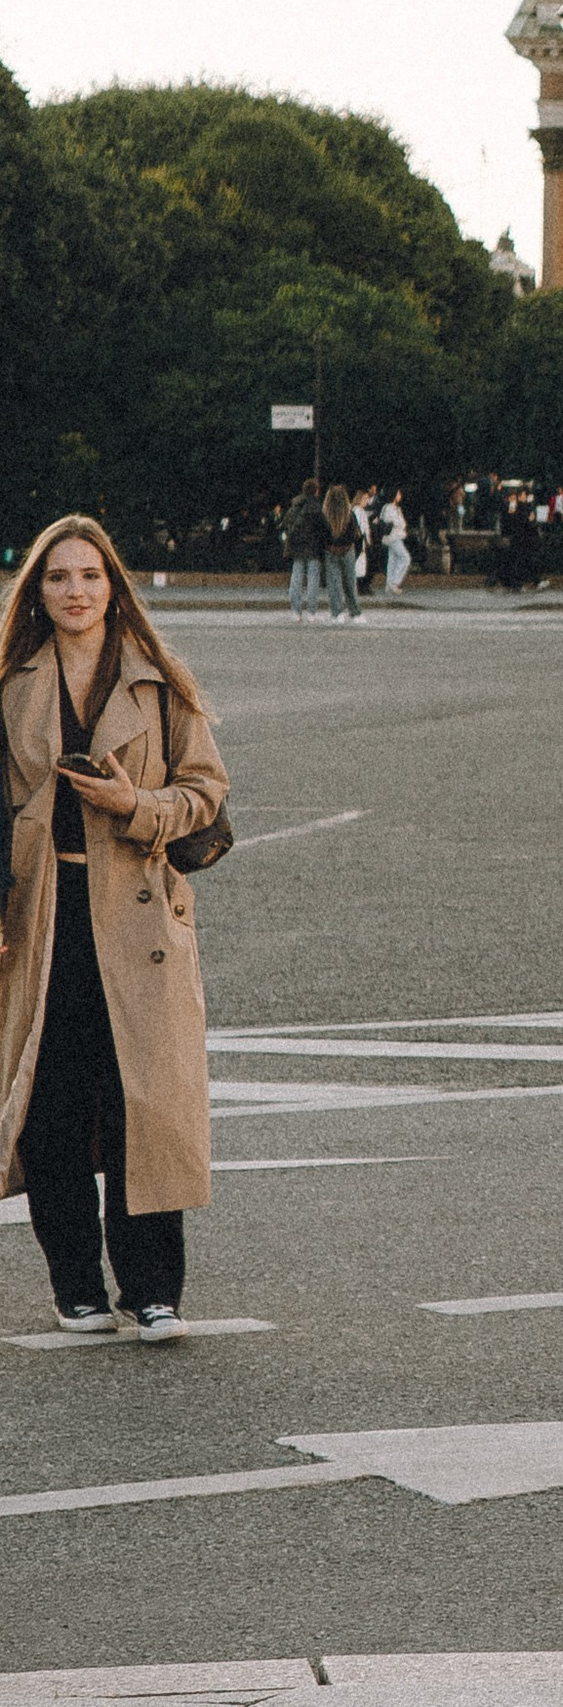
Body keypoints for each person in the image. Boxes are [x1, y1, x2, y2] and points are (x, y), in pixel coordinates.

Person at [0, 516, 229, 1342]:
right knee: (53, 1105)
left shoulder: (159, 682)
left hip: (137, 916)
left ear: (113, 586)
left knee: (146, 1101)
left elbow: (206, 793)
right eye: (59, 577)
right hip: (44, 914)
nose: (75, 592)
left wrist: (135, 806)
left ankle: (155, 1289)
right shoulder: (10, 681)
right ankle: (76, 1287)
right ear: (38, 589)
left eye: (90, 577)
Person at [319, 484, 364, 625]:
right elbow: (355, 535)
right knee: (350, 583)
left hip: (330, 551)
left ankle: (337, 613)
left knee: (334, 584)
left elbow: (320, 536)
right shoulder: (350, 515)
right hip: (347, 550)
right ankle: (355, 612)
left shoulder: (325, 515)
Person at [283, 482, 326, 621]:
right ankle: (311, 612)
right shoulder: (316, 506)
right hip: (313, 547)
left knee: (296, 578)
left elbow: (286, 523)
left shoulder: (295, 505)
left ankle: (296, 611)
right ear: (316, 491)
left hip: (296, 547)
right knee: (313, 579)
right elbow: (323, 527)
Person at [379, 490, 412, 598]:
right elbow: (395, 522)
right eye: (398, 494)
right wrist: (398, 523)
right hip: (393, 537)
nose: (400, 496)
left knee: (392, 561)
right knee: (405, 558)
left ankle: (389, 585)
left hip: (395, 537)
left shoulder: (396, 508)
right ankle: (395, 582)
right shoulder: (389, 508)